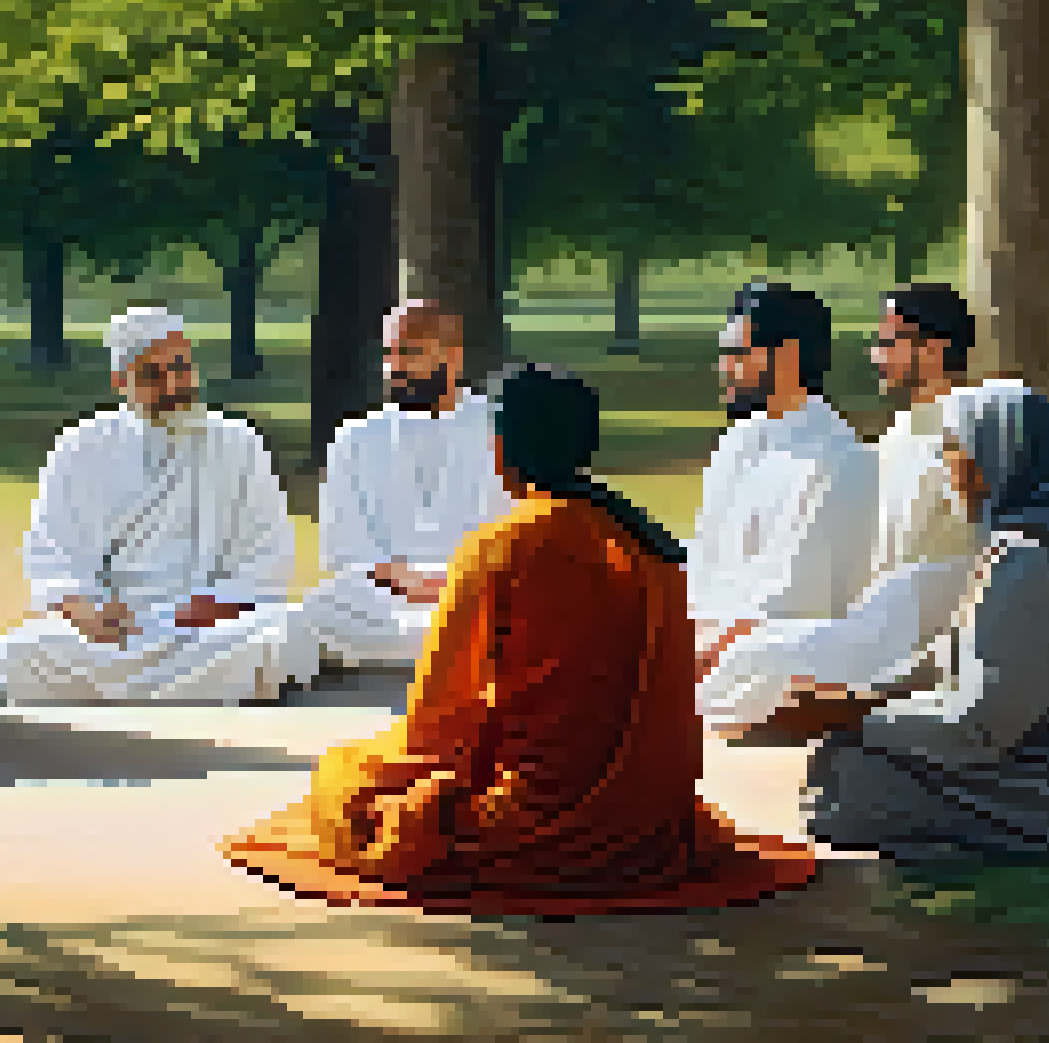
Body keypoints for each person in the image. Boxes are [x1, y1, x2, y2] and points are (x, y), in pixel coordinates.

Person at [222, 365, 819, 913]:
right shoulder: (648, 549)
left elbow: (440, 721)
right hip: (645, 814)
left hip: (528, 815)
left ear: (510, 446)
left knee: (345, 772)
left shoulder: (504, 545)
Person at [757, 383, 1049, 862]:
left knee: (859, 772)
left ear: (989, 461)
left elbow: (977, 729)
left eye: (954, 453)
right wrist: (853, 695)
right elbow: (952, 658)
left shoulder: (1028, 560)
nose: (947, 471)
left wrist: (849, 714)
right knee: (850, 758)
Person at [703, 285, 992, 736]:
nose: (875, 356)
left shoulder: (971, 432)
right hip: (875, 612)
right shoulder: (893, 438)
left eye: (888, 342)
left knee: (750, 673)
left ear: (933, 350)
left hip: (920, 614)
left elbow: (981, 537)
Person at [0, 306, 310, 703]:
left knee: (285, 632)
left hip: (207, 624)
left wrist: (220, 604)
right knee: (25, 650)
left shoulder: (238, 441)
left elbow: (268, 555)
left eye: (180, 369)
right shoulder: (80, 445)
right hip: (116, 625)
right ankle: (188, 688)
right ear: (120, 382)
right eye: (153, 375)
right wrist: (87, 611)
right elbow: (52, 556)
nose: (174, 384)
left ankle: (123, 689)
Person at [272, 301, 513, 670]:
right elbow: (342, 548)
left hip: (475, 592)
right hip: (382, 599)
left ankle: (451, 641)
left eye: (410, 353)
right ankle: (455, 645)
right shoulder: (354, 436)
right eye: (389, 353)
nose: (394, 367)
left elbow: (514, 538)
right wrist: (406, 581)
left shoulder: (503, 432)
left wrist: (447, 584)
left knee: (513, 612)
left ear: (453, 357)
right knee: (313, 612)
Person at [692, 280, 882, 731]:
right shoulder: (737, 443)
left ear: (789, 357)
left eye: (739, 355)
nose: (725, 369)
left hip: (776, 648)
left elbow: (799, 598)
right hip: (708, 643)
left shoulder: (839, 459)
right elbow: (702, 564)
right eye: (724, 355)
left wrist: (706, 650)